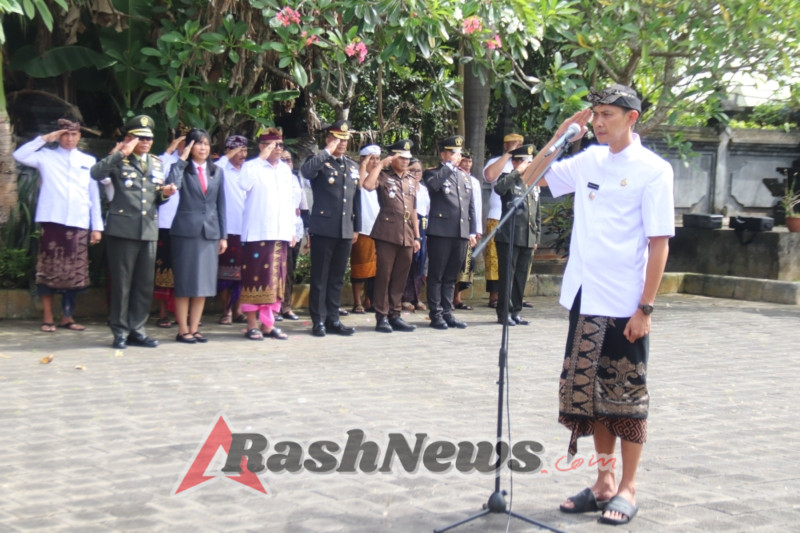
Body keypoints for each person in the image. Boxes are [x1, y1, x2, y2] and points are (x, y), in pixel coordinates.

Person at [530, 85, 674, 526]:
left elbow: (659, 243)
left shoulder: (654, 170)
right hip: (584, 296)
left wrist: (645, 309)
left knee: (625, 397)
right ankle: (604, 482)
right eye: (594, 114)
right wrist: (559, 135)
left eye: (607, 114)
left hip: (624, 302)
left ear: (631, 118)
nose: (597, 122)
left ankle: (628, 487)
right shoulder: (589, 159)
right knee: (591, 398)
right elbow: (530, 179)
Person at [90, 115, 177, 349]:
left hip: (148, 230)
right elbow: (96, 173)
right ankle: (120, 331)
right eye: (140, 138)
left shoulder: (156, 163)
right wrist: (120, 153)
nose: (146, 142)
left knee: (144, 284)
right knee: (122, 284)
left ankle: (137, 329)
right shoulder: (120, 160)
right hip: (123, 230)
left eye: (149, 138)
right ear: (130, 138)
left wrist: (165, 194)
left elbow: (153, 197)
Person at [12, 117, 104, 333]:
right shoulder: (46, 156)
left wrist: (97, 227)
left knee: (74, 274)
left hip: (79, 222)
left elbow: (94, 195)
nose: (69, 139)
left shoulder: (88, 160)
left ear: (79, 136)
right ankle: (47, 318)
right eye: (65, 134)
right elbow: (19, 155)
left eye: (73, 134)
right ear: (59, 135)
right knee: (48, 271)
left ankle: (67, 317)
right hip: (52, 220)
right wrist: (45, 139)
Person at [300, 120, 361, 337]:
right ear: (328, 139)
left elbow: (356, 199)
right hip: (324, 228)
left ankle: (333, 319)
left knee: (337, 277)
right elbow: (306, 172)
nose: (342, 143)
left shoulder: (352, 166)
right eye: (337, 139)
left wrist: (356, 227)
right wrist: (326, 151)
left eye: (344, 140)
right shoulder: (318, 162)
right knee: (320, 277)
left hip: (345, 229)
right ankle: (318, 320)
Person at [167, 128, 227, 343]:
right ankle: (182, 329)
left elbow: (221, 205)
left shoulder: (217, 171)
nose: (203, 148)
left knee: (203, 284)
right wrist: (182, 159)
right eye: (199, 143)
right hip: (186, 232)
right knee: (185, 283)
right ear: (190, 147)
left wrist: (223, 235)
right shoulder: (182, 169)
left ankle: (195, 328)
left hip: (210, 232)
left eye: (206, 144)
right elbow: (172, 185)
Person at [238, 128, 298, 341]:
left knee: (276, 281)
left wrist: (292, 230)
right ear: (262, 146)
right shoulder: (251, 166)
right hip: (257, 233)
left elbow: (290, 202)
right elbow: (243, 184)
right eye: (274, 145)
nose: (278, 149)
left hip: (280, 233)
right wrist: (261, 158)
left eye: (281, 145)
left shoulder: (285, 170)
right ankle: (251, 325)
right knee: (255, 280)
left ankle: (268, 325)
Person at [362, 139, 421, 333]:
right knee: (384, 276)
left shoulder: (411, 179)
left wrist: (417, 237)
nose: (405, 161)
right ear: (392, 158)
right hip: (387, 233)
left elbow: (413, 210)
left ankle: (395, 314)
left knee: (400, 276)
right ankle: (382, 316)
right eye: (401, 157)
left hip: (407, 234)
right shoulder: (384, 176)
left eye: (407, 158)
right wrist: (380, 164)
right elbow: (367, 185)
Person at [422, 135, 476, 330]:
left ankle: (447, 312)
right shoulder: (433, 173)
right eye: (452, 152)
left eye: (458, 153)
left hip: (460, 232)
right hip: (441, 232)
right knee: (437, 275)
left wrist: (472, 231)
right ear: (443, 154)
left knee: (451, 276)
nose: (457, 156)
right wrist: (449, 166)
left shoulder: (464, 177)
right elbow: (434, 186)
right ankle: (436, 314)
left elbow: (470, 206)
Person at [488, 144, 541, 326]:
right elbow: (499, 189)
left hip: (527, 237)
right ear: (516, 162)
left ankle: (516, 311)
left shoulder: (533, 182)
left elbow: (536, 212)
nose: (529, 165)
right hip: (509, 236)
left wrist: (536, 236)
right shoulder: (508, 179)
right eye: (526, 162)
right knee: (508, 277)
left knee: (521, 277)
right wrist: (517, 172)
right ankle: (504, 313)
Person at [483, 133, 524, 308]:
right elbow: (490, 176)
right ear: (505, 145)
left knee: (518, 258)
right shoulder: (496, 161)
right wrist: (508, 154)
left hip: (520, 218)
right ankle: (495, 295)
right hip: (498, 216)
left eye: (519, 144)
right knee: (494, 258)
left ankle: (515, 295)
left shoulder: (526, 163)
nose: (516, 146)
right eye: (512, 144)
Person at [153, 133, 186, 328]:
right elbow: (158, 171)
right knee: (163, 268)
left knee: (183, 270)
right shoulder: (166, 161)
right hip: (166, 222)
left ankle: (181, 314)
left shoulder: (195, 164)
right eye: (184, 143)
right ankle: (163, 312)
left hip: (187, 224)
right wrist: (169, 150)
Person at [216, 134, 248, 325]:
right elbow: (212, 168)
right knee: (225, 274)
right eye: (237, 150)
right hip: (228, 229)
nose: (242, 154)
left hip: (248, 230)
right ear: (228, 151)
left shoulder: (249, 170)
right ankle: (225, 311)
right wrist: (228, 156)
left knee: (243, 275)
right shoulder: (222, 170)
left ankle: (238, 311)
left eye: (245, 150)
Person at [349, 144, 381, 314]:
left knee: (376, 268)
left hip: (379, 228)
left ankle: (370, 301)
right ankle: (357, 302)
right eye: (371, 158)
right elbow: (361, 185)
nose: (375, 162)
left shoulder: (380, 177)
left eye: (377, 158)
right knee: (360, 266)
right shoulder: (356, 174)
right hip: (363, 227)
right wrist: (362, 166)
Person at [278, 149, 307, 322]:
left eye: (288, 160)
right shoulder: (273, 178)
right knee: (277, 270)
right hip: (277, 230)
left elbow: (303, 206)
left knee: (289, 270)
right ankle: (274, 307)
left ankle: (286, 306)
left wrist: (308, 231)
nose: (285, 163)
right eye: (282, 160)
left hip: (295, 229)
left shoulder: (296, 178)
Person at [453, 150, 482, 310]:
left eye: (469, 161)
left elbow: (477, 206)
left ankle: (458, 297)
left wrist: (478, 229)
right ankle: (449, 297)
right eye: (464, 161)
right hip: (457, 226)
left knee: (468, 264)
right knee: (456, 262)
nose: (467, 164)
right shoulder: (454, 178)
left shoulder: (475, 182)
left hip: (471, 227)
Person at [401, 158, 428, 311]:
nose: (416, 173)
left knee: (420, 262)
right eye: (412, 170)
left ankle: (417, 297)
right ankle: (405, 297)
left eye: (418, 170)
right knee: (408, 261)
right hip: (408, 224)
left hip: (422, 226)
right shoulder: (405, 186)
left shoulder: (423, 189)